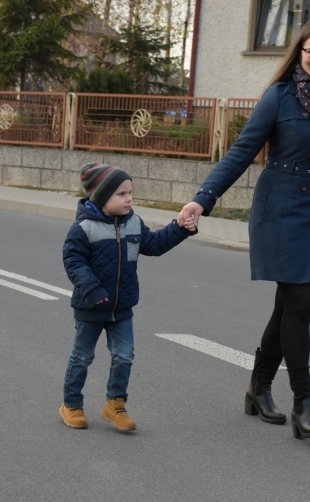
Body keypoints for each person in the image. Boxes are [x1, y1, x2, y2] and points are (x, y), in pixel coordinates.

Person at [177, 20, 310, 440]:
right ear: (299, 53)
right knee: (300, 300)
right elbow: (241, 151)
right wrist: (204, 198)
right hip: (281, 208)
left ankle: (258, 387)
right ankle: (303, 404)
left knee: (288, 304)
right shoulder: (280, 96)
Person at [60, 162, 196, 431]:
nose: (129, 198)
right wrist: (93, 290)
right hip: (91, 306)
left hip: (121, 308)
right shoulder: (84, 228)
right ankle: (71, 404)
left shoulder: (133, 223)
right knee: (83, 356)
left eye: (130, 192)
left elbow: (154, 245)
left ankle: (115, 405)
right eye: (121, 194)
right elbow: (73, 262)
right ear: (100, 197)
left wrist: (180, 228)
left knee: (124, 355)